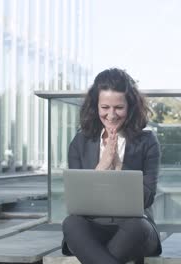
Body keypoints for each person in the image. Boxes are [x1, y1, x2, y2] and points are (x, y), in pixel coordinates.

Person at [61, 68, 162, 264]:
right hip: (92, 228)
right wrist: (102, 166)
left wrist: (119, 167)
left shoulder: (147, 142)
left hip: (134, 229)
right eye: (105, 107)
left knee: (137, 226)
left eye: (119, 107)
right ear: (95, 106)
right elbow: (77, 202)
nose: (112, 115)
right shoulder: (80, 143)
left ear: (130, 106)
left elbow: (146, 198)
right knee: (71, 224)